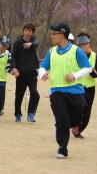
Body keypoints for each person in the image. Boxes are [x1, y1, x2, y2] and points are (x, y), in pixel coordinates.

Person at [38, 23, 92, 159]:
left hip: (75, 92)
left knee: (74, 119)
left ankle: (74, 124)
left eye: (54, 33)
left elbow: (88, 68)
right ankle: (62, 148)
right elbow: (43, 66)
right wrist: (42, 74)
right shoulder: (51, 51)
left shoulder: (76, 51)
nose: (52, 36)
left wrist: (74, 76)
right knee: (62, 120)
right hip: (56, 91)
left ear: (62, 35)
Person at [73, 32, 97, 138]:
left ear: (89, 43)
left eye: (86, 44)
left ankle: (79, 130)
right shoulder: (74, 55)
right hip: (78, 86)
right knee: (78, 108)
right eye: (82, 44)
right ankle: (74, 126)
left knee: (87, 111)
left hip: (90, 88)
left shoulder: (94, 56)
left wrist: (95, 73)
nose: (84, 46)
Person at [12, 23, 41, 123]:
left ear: (32, 32)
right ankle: (17, 114)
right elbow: (13, 57)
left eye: (30, 31)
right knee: (19, 95)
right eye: (26, 30)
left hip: (32, 73)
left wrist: (31, 44)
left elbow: (37, 42)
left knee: (35, 94)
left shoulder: (34, 41)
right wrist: (14, 68)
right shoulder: (17, 42)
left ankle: (31, 114)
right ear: (23, 31)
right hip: (21, 73)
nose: (27, 33)